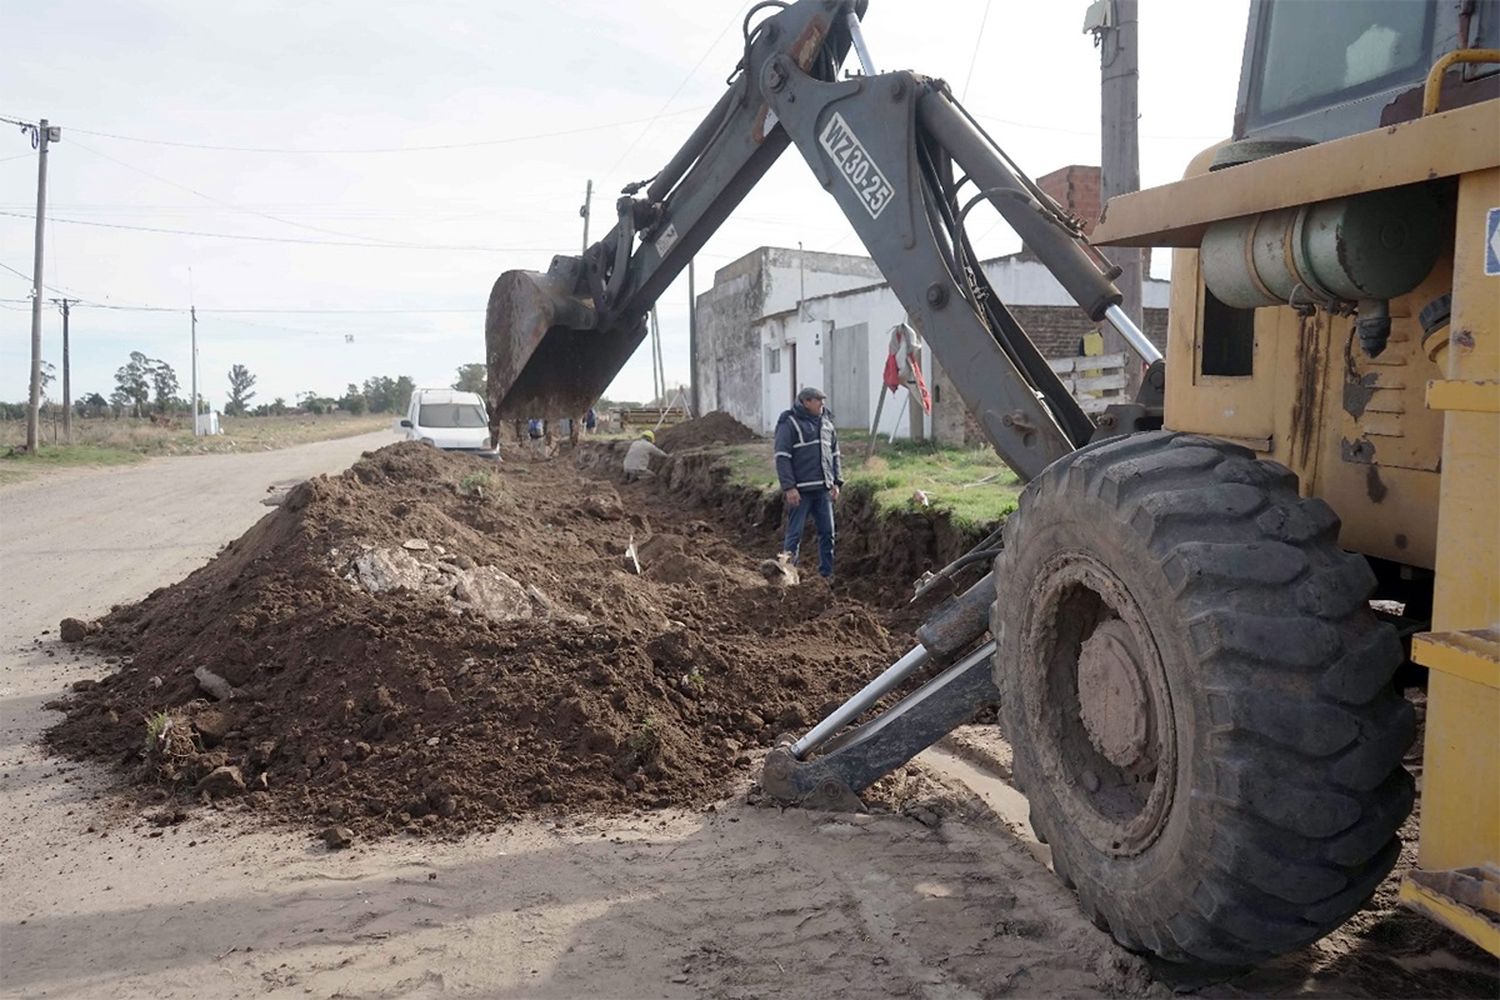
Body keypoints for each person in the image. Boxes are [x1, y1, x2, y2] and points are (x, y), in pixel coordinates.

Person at [775, 386, 842, 578]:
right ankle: (787, 575)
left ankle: (826, 576)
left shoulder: (827, 425)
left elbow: (835, 455)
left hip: (823, 490)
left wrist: (836, 482)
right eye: (818, 400)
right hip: (800, 491)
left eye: (823, 400)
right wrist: (789, 487)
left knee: (828, 534)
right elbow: (782, 457)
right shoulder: (789, 423)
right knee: (794, 535)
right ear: (806, 402)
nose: (822, 403)